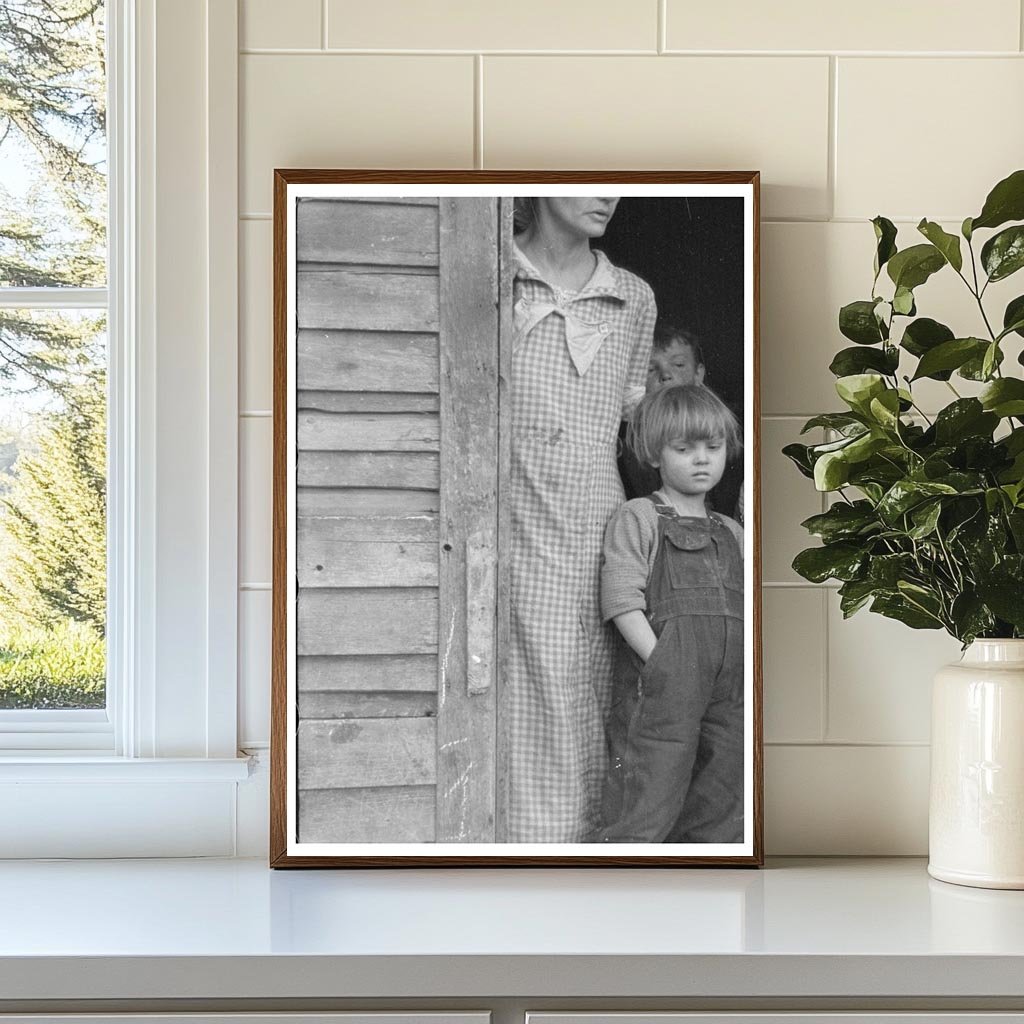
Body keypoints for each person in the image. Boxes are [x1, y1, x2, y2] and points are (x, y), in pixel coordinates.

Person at [508, 196, 656, 842]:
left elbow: (638, 436)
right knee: (514, 690)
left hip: (594, 521)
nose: (608, 195)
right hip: (511, 509)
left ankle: (578, 865)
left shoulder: (633, 299)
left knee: (584, 694)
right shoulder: (491, 271)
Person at [592, 383, 745, 844]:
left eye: (712, 447)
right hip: (665, 684)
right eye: (684, 448)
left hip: (730, 687)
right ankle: (623, 892)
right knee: (648, 795)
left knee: (722, 801)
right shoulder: (639, 517)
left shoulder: (732, 530)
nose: (702, 459)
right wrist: (662, 662)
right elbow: (621, 598)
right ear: (655, 455)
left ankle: (699, 895)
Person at [618, 322, 706, 501]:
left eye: (679, 364)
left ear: (699, 374)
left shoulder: (715, 431)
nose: (665, 374)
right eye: (649, 369)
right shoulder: (623, 442)